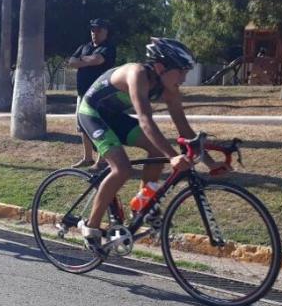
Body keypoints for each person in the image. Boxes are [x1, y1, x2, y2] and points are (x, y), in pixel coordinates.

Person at [75, 38, 229, 252]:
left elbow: (184, 129)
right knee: (122, 169)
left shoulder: (169, 87)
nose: (184, 78)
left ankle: (142, 203)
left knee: (156, 151)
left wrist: (211, 164)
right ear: (160, 67)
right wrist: (173, 156)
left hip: (114, 116)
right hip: (91, 114)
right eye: (181, 71)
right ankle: (91, 228)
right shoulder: (136, 74)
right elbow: (146, 120)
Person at [68, 18, 115, 170]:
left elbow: (98, 60)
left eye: (98, 30)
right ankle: (87, 158)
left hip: (100, 96)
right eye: (92, 30)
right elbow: (70, 62)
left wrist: (81, 61)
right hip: (82, 94)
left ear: (105, 31)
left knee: (100, 126)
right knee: (83, 126)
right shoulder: (84, 46)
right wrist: (86, 60)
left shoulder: (108, 47)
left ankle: (102, 161)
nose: (94, 33)